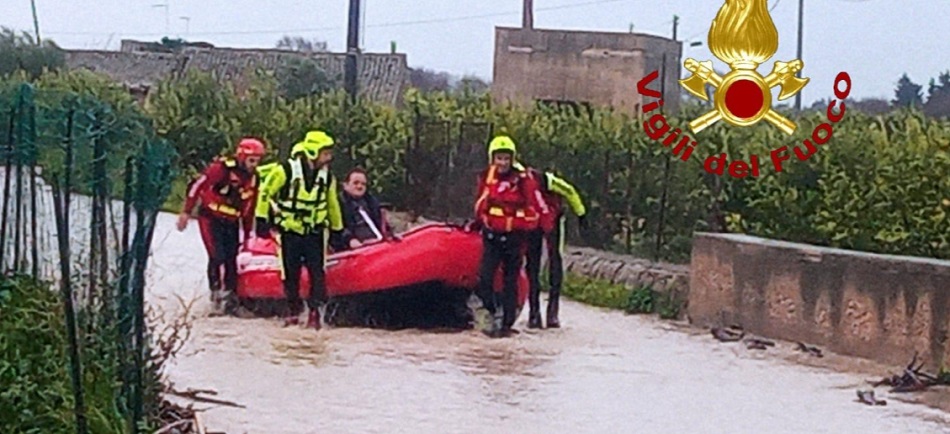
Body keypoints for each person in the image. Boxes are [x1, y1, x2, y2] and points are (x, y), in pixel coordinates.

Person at [254, 130, 344, 330]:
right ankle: (294, 311)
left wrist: (337, 229)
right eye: (325, 153)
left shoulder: (327, 177)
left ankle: (314, 313)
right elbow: (265, 192)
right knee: (291, 273)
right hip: (290, 231)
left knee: (317, 273)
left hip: (315, 231)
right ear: (313, 152)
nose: (329, 157)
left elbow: (332, 204)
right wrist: (261, 218)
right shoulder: (285, 170)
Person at [472, 135, 551, 338]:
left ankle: (505, 323)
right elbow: (481, 203)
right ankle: (490, 311)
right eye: (499, 158)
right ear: (493, 159)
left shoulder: (524, 180)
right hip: (492, 236)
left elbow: (537, 204)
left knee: (510, 281)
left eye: (506, 159)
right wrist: (478, 222)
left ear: (512, 159)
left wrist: (544, 227)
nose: (503, 163)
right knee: (485, 278)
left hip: (516, 237)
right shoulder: (486, 178)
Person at [177, 138, 266, 315]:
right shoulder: (220, 169)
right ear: (242, 157)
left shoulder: (255, 178)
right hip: (210, 219)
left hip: (232, 222)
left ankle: (231, 299)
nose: (255, 165)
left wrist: (249, 235)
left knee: (232, 259)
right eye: (252, 160)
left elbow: (250, 207)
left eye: (258, 160)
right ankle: (215, 297)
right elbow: (197, 186)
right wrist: (186, 212)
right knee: (217, 256)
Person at [515, 161, 587, 329]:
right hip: (531, 223)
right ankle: (534, 314)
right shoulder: (511, 183)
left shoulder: (543, 179)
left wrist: (581, 212)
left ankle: (552, 312)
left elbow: (568, 190)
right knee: (531, 265)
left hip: (552, 219)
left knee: (555, 260)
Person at [339, 167, 392, 249]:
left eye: (363, 184)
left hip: (379, 244)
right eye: (355, 183)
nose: (360, 187)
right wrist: (350, 240)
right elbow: (337, 230)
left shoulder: (371, 202)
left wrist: (390, 235)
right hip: (356, 250)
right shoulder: (339, 205)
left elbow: (383, 225)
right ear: (345, 185)